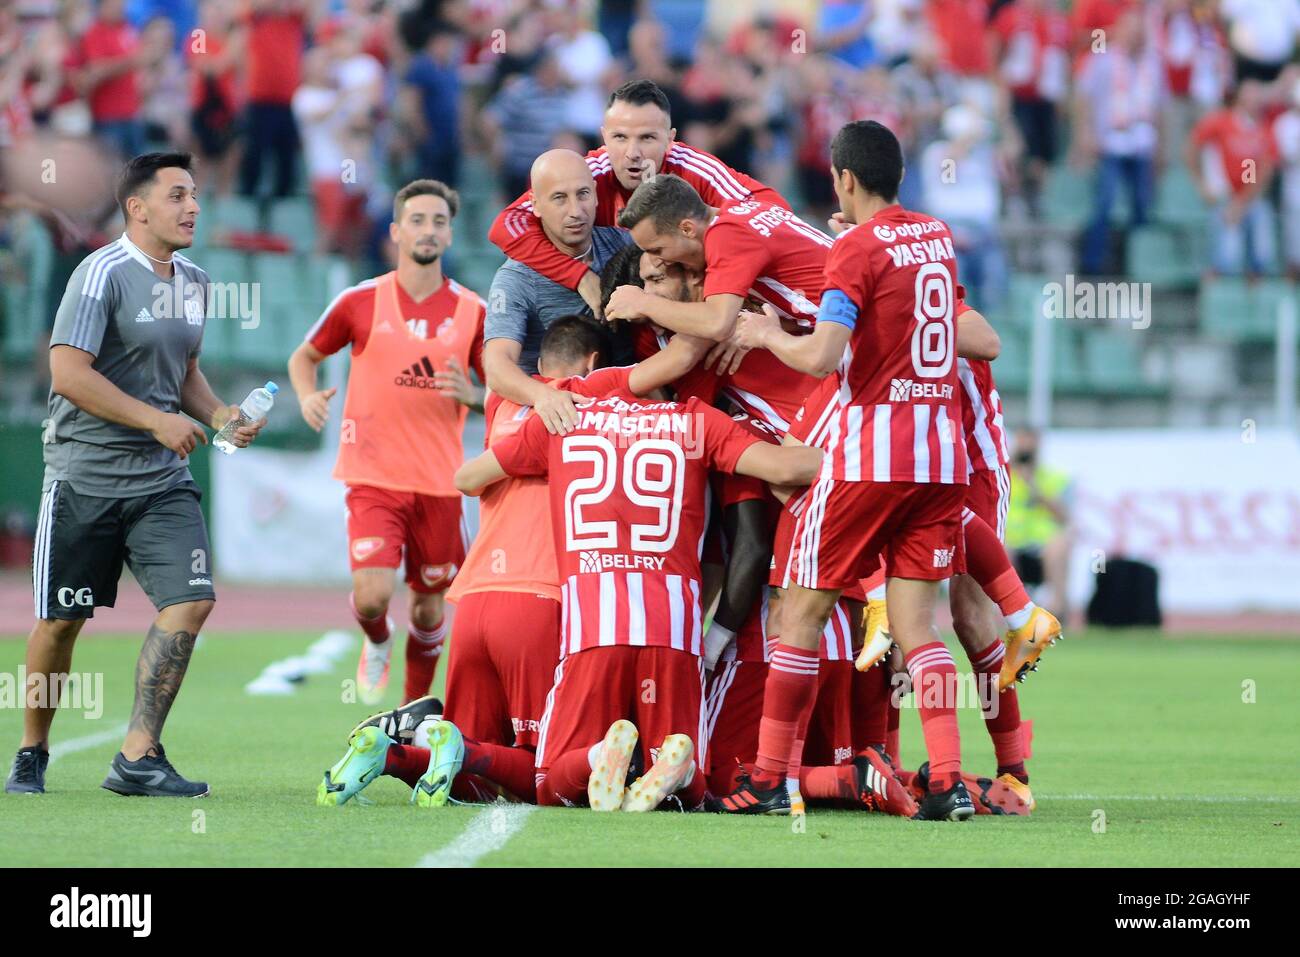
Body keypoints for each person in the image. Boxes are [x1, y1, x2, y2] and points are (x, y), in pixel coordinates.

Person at [316, 315, 717, 808]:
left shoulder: (502, 399)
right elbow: (677, 359)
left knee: (474, 777)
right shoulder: (589, 401)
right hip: (542, 599)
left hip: (476, 599)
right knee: (540, 765)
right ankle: (597, 759)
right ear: (594, 363)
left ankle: (397, 751)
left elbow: (467, 475)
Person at [725, 120, 974, 821]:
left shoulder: (855, 249)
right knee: (919, 626)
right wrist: (852, 240)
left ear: (843, 179)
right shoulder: (935, 235)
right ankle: (949, 778)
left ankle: (771, 777)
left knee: (799, 609)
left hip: (871, 456)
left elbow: (822, 355)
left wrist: (767, 330)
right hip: (941, 456)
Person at [452, 364, 825, 813]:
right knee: (687, 794)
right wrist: (883, 453)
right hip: (673, 633)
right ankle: (681, 771)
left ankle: (597, 756)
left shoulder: (565, 420)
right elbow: (787, 467)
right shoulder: (695, 420)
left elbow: (468, 479)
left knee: (549, 783)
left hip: (593, 629)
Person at [7, 151, 266, 797]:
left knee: (193, 598)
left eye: (196, 195)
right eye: (178, 195)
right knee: (61, 623)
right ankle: (31, 751)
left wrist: (220, 414)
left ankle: (137, 754)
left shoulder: (196, 281)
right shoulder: (99, 275)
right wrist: (155, 420)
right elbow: (68, 373)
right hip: (83, 476)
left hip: (160, 480)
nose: (194, 207)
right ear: (138, 207)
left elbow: (183, 375)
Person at [286, 180, 486, 707]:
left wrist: (476, 396)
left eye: (439, 221)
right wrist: (308, 397)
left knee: (428, 609)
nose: (428, 229)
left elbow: (507, 395)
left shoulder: (474, 312)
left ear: (449, 234)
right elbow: (303, 357)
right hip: (373, 477)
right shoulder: (360, 300)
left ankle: (411, 712)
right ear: (396, 232)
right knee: (373, 597)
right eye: (417, 220)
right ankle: (376, 641)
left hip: (441, 486)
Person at [488, 79, 792, 317]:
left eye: (647, 138)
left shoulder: (694, 168)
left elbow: (772, 212)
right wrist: (580, 278)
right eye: (620, 138)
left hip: (694, 314)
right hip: (616, 317)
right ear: (604, 136)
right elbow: (507, 223)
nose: (632, 153)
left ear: (671, 139)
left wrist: (735, 304)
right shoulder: (587, 177)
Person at [482, 149, 633, 435]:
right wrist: (544, 396)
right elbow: (497, 367)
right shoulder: (516, 277)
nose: (575, 210)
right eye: (559, 198)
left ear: (598, 196)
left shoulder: (625, 246)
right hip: (546, 418)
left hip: (619, 412)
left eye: (583, 194)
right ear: (535, 205)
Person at [1187, 79, 1279, 277]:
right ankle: (1216, 275)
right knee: (1228, 256)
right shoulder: (1221, 122)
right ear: (1240, 97)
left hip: (1250, 199)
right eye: (1250, 94)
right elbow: (1191, 148)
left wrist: (1242, 203)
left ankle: (1256, 278)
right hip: (1224, 196)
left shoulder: (1263, 130)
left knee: (1264, 246)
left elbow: (1263, 171)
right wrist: (1201, 184)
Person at [1005, 428, 1074, 624]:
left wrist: (1034, 486)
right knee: (998, 547)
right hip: (1011, 543)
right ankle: (1007, 615)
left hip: (1042, 546)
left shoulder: (1053, 478)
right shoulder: (1001, 475)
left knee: (1060, 543)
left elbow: (1064, 517)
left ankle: (1057, 611)